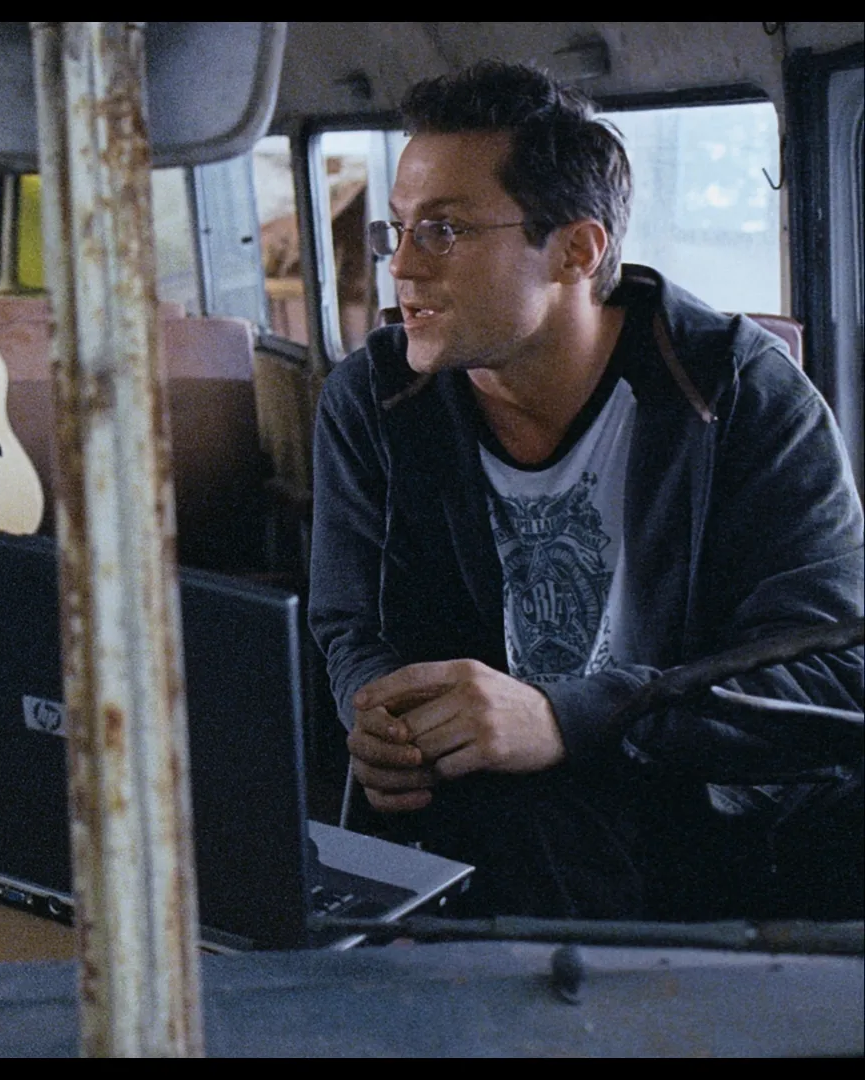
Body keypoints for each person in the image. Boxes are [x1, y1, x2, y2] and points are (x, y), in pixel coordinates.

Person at [308, 62, 864, 920]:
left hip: (708, 825)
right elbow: (351, 625)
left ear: (577, 250)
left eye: (445, 231)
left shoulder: (739, 395)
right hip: (483, 827)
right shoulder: (373, 400)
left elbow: (832, 673)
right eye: (399, 230)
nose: (402, 266)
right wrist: (380, 718)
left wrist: (566, 719)